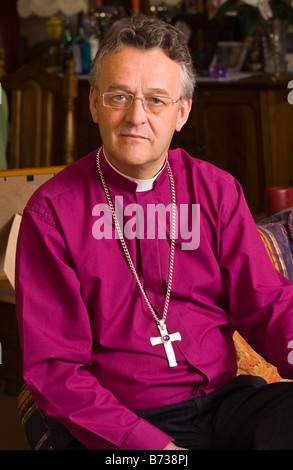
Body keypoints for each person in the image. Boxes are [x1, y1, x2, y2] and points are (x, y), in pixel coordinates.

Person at [15, 14, 293, 451]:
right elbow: (55, 369)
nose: (136, 117)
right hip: (122, 421)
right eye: (119, 96)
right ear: (93, 104)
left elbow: (267, 306)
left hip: (225, 403)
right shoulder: (51, 214)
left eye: (157, 100)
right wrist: (155, 450)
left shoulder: (216, 190)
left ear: (181, 112)